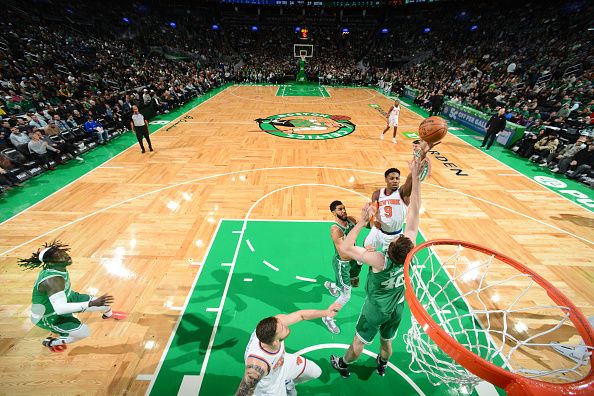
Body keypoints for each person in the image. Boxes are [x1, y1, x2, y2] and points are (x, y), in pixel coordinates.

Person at [330, 158, 424, 378]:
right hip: (398, 306)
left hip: (376, 309)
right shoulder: (410, 251)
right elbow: (415, 212)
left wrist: (362, 221)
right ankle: (382, 364)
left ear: (389, 250)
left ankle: (343, 363)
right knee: (387, 341)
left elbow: (345, 247)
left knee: (358, 343)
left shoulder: (379, 260)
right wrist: (417, 179)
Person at [18, 241, 126, 352]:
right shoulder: (52, 280)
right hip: (49, 315)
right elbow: (60, 309)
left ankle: (108, 315)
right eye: (58, 256)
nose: (66, 256)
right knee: (84, 332)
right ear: (50, 263)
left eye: (62, 252)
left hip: (68, 298)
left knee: (105, 304)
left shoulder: (57, 268)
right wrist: (90, 304)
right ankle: (52, 342)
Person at [236, 302, 341, 396]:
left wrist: (326, 312)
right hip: (270, 387)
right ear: (275, 342)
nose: (285, 325)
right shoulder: (257, 365)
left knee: (316, 372)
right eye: (282, 328)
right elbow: (243, 392)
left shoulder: (272, 326)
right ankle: (285, 385)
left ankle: (287, 382)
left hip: (283, 363)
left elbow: (301, 315)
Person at [322, 200, 362, 334]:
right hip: (342, 263)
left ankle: (331, 285)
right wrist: (363, 254)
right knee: (346, 295)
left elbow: (366, 224)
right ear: (333, 213)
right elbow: (344, 255)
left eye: (344, 208)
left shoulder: (350, 220)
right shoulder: (336, 230)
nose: (343, 211)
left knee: (354, 283)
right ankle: (327, 317)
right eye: (340, 209)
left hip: (354, 259)